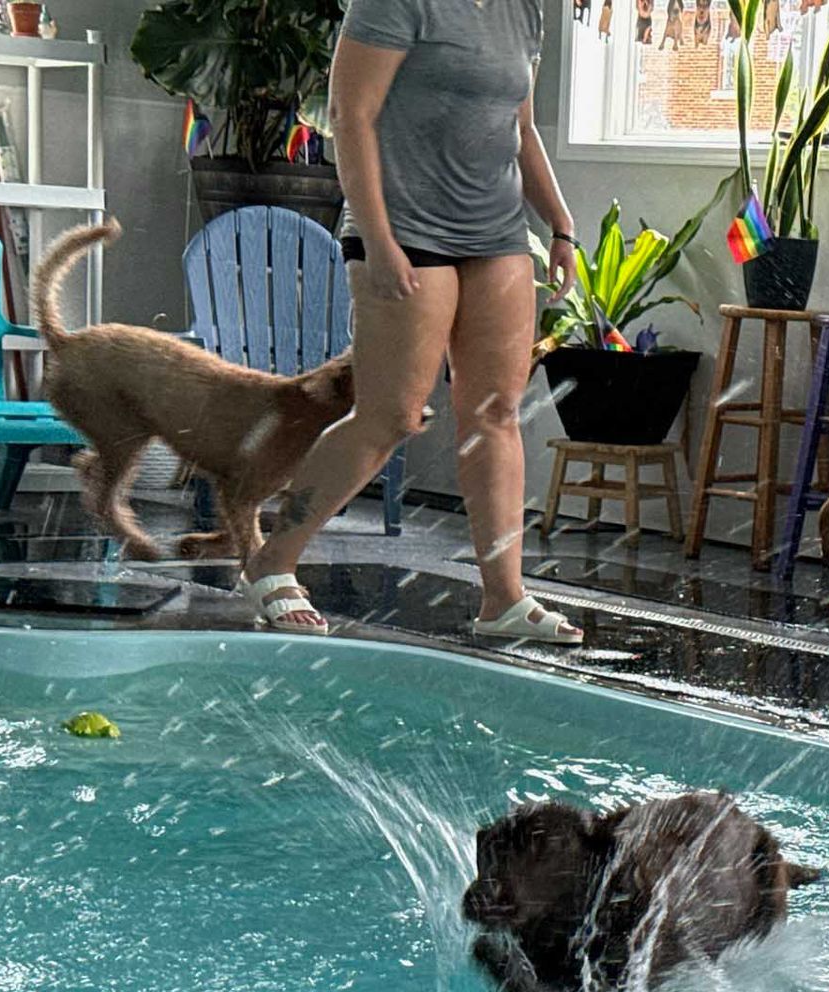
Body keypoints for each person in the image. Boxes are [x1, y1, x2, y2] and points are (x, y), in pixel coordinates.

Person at [239, 0, 584, 643]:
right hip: (405, 228)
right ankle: (272, 562)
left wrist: (560, 225)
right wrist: (378, 237)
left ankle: (503, 599)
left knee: (496, 414)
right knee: (390, 415)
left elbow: (522, 125)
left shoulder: (524, 10)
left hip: (496, 231)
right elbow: (352, 115)